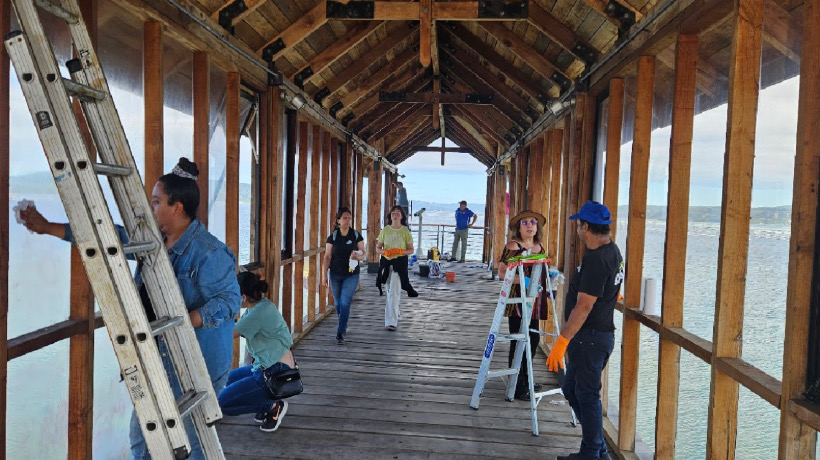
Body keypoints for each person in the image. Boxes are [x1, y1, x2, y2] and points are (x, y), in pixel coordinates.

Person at [19, 158, 242, 460]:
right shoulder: (155, 240)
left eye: (156, 202)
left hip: (196, 363)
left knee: (190, 445)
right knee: (143, 441)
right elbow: (110, 238)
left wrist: (184, 321)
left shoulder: (209, 252)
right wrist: (48, 227)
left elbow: (229, 301)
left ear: (177, 208)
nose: (150, 209)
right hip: (157, 358)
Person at [546, 201, 623, 460]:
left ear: (586, 227)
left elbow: (584, 306)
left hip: (590, 338)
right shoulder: (611, 251)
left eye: (578, 224)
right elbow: (610, 285)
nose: (577, 228)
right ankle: (598, 447)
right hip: (593, 338)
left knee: (587, 396)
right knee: (572, 390)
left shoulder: (598, 259)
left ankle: (591, 453)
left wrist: (561, 341)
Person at [218, 272, 294, 432]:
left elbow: (227, 335)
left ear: (243, 297)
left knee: (222, 403)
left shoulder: (257, 314)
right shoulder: (263, 305)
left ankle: (272, 406)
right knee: (225, 381)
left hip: (275, 373)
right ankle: (264, 404)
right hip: (267, 366)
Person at [497, 209, 551, 400]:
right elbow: (502, 273)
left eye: (533, 222)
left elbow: (543, 269)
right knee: (518, 339)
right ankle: (517, 385)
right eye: (525, 223)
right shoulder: (513, 245)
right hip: (518, 300)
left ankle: (526, 378)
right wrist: (525, 281)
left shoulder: (540, 246)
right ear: (518, 228)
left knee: (534, 339)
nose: (529, 226)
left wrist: (549, 280)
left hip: (536, 300)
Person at [322, 207, 366, 345]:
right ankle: (343, 322)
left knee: (345, 302)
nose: (347, 220)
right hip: (335, 274)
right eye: (344, 218)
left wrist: (359, 256)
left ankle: (340, 332)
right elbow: (327, 256)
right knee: (338, 303)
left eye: (349, 218)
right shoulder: (333, 237)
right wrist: (324, 275)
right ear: (338, 220)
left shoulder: (356, 235)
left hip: (351, 274)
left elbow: (364, 253)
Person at [376, 205, 418, 330]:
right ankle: (395, 312)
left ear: (402, 216)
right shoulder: (385, 230)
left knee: (394, 291)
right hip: (386, 263)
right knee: (389, 289)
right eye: (393, 213)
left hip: (399, 264)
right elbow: (378, 248)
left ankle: (391, 322)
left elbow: (411, 250)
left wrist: (400, 251)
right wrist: (385, 252)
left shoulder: (405, 231)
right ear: (390, 216)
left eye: (398, 213)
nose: (395, 215)